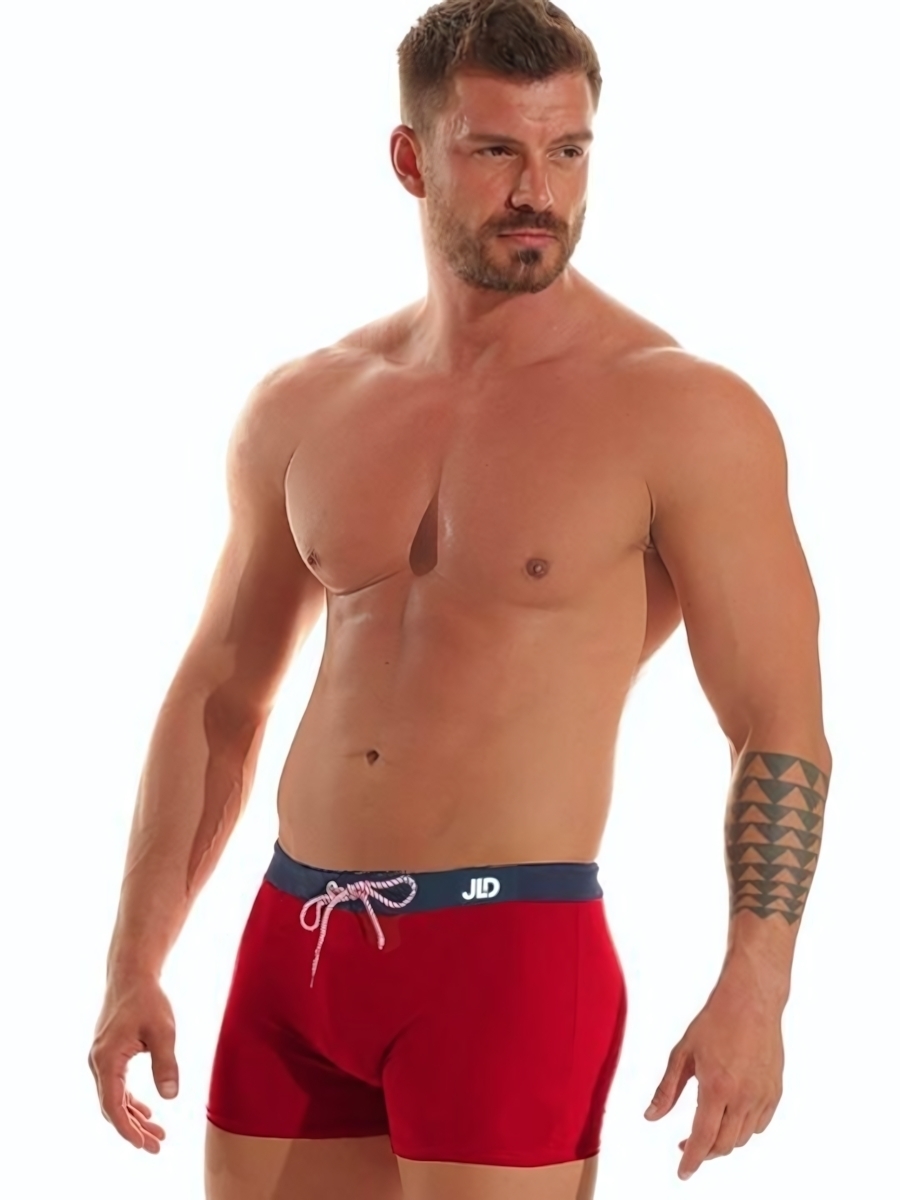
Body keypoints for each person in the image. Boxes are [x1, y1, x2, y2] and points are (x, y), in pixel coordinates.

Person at [88, 2, 832, 1197]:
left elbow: (777, 724)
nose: (539, 191)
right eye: (496, 151)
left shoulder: (682, 412)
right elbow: (221, 696)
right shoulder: (309, 401)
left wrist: (758, 987)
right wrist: (134, 962)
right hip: (293, 944)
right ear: (411, 159)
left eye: (568, 150)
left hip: (508, 954)